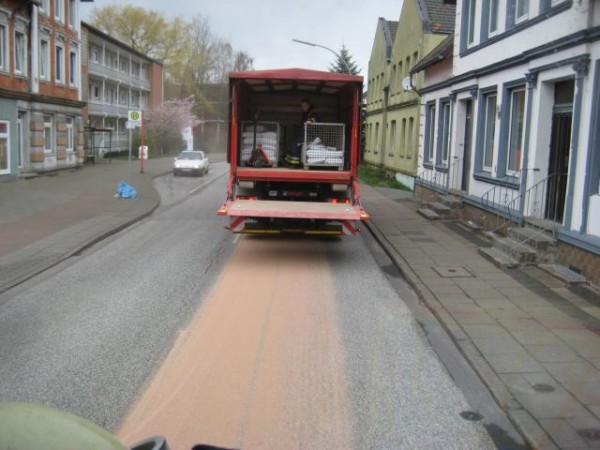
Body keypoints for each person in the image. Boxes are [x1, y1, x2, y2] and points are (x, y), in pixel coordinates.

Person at [285, 98, 320, 168]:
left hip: (310, 135)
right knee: (290, 142)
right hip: (303, 135)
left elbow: (315, 119)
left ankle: (295, 164)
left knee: (294, 144)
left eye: (305, 105)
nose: (303, 107)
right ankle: (289, 162)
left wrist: (310, 121)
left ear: (309, 105)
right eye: (302, 106)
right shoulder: (304, 113)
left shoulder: (313, 112)